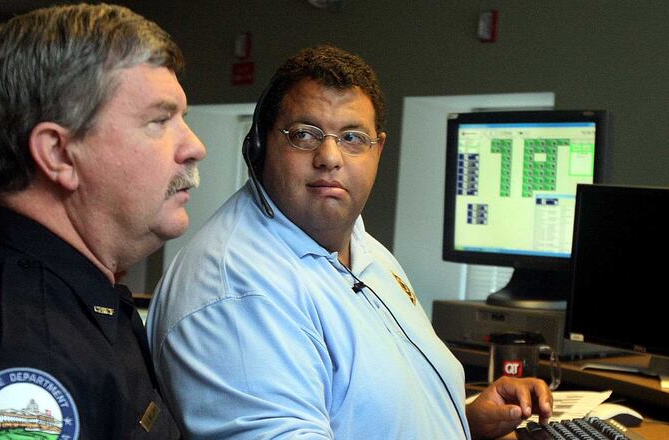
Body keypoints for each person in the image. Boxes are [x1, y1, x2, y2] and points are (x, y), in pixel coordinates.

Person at [147, 45, 552, 439]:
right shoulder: (237, 292)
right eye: (304, 135)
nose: (329, 157)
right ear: (259, 145)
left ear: (379, 149)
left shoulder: (364, 250)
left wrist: (464, 424)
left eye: (353, 138)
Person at [0, 4, 205, 438]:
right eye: (159, 121)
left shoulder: (73, 298)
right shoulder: (22, 354)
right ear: (57, 154)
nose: (194, 146)